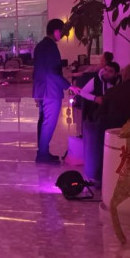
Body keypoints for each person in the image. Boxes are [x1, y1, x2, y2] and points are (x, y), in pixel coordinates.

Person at [33, 19, 79, 164]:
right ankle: (42, 154)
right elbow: (52, 72)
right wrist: (69, 86)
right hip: (50, 90)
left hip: (41, 89)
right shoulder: (51, 47)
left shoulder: (40, 46)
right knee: (48, 123)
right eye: (62, 31)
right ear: (56, 31)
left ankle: (42, 151)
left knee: (43, 121)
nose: (63, 35)